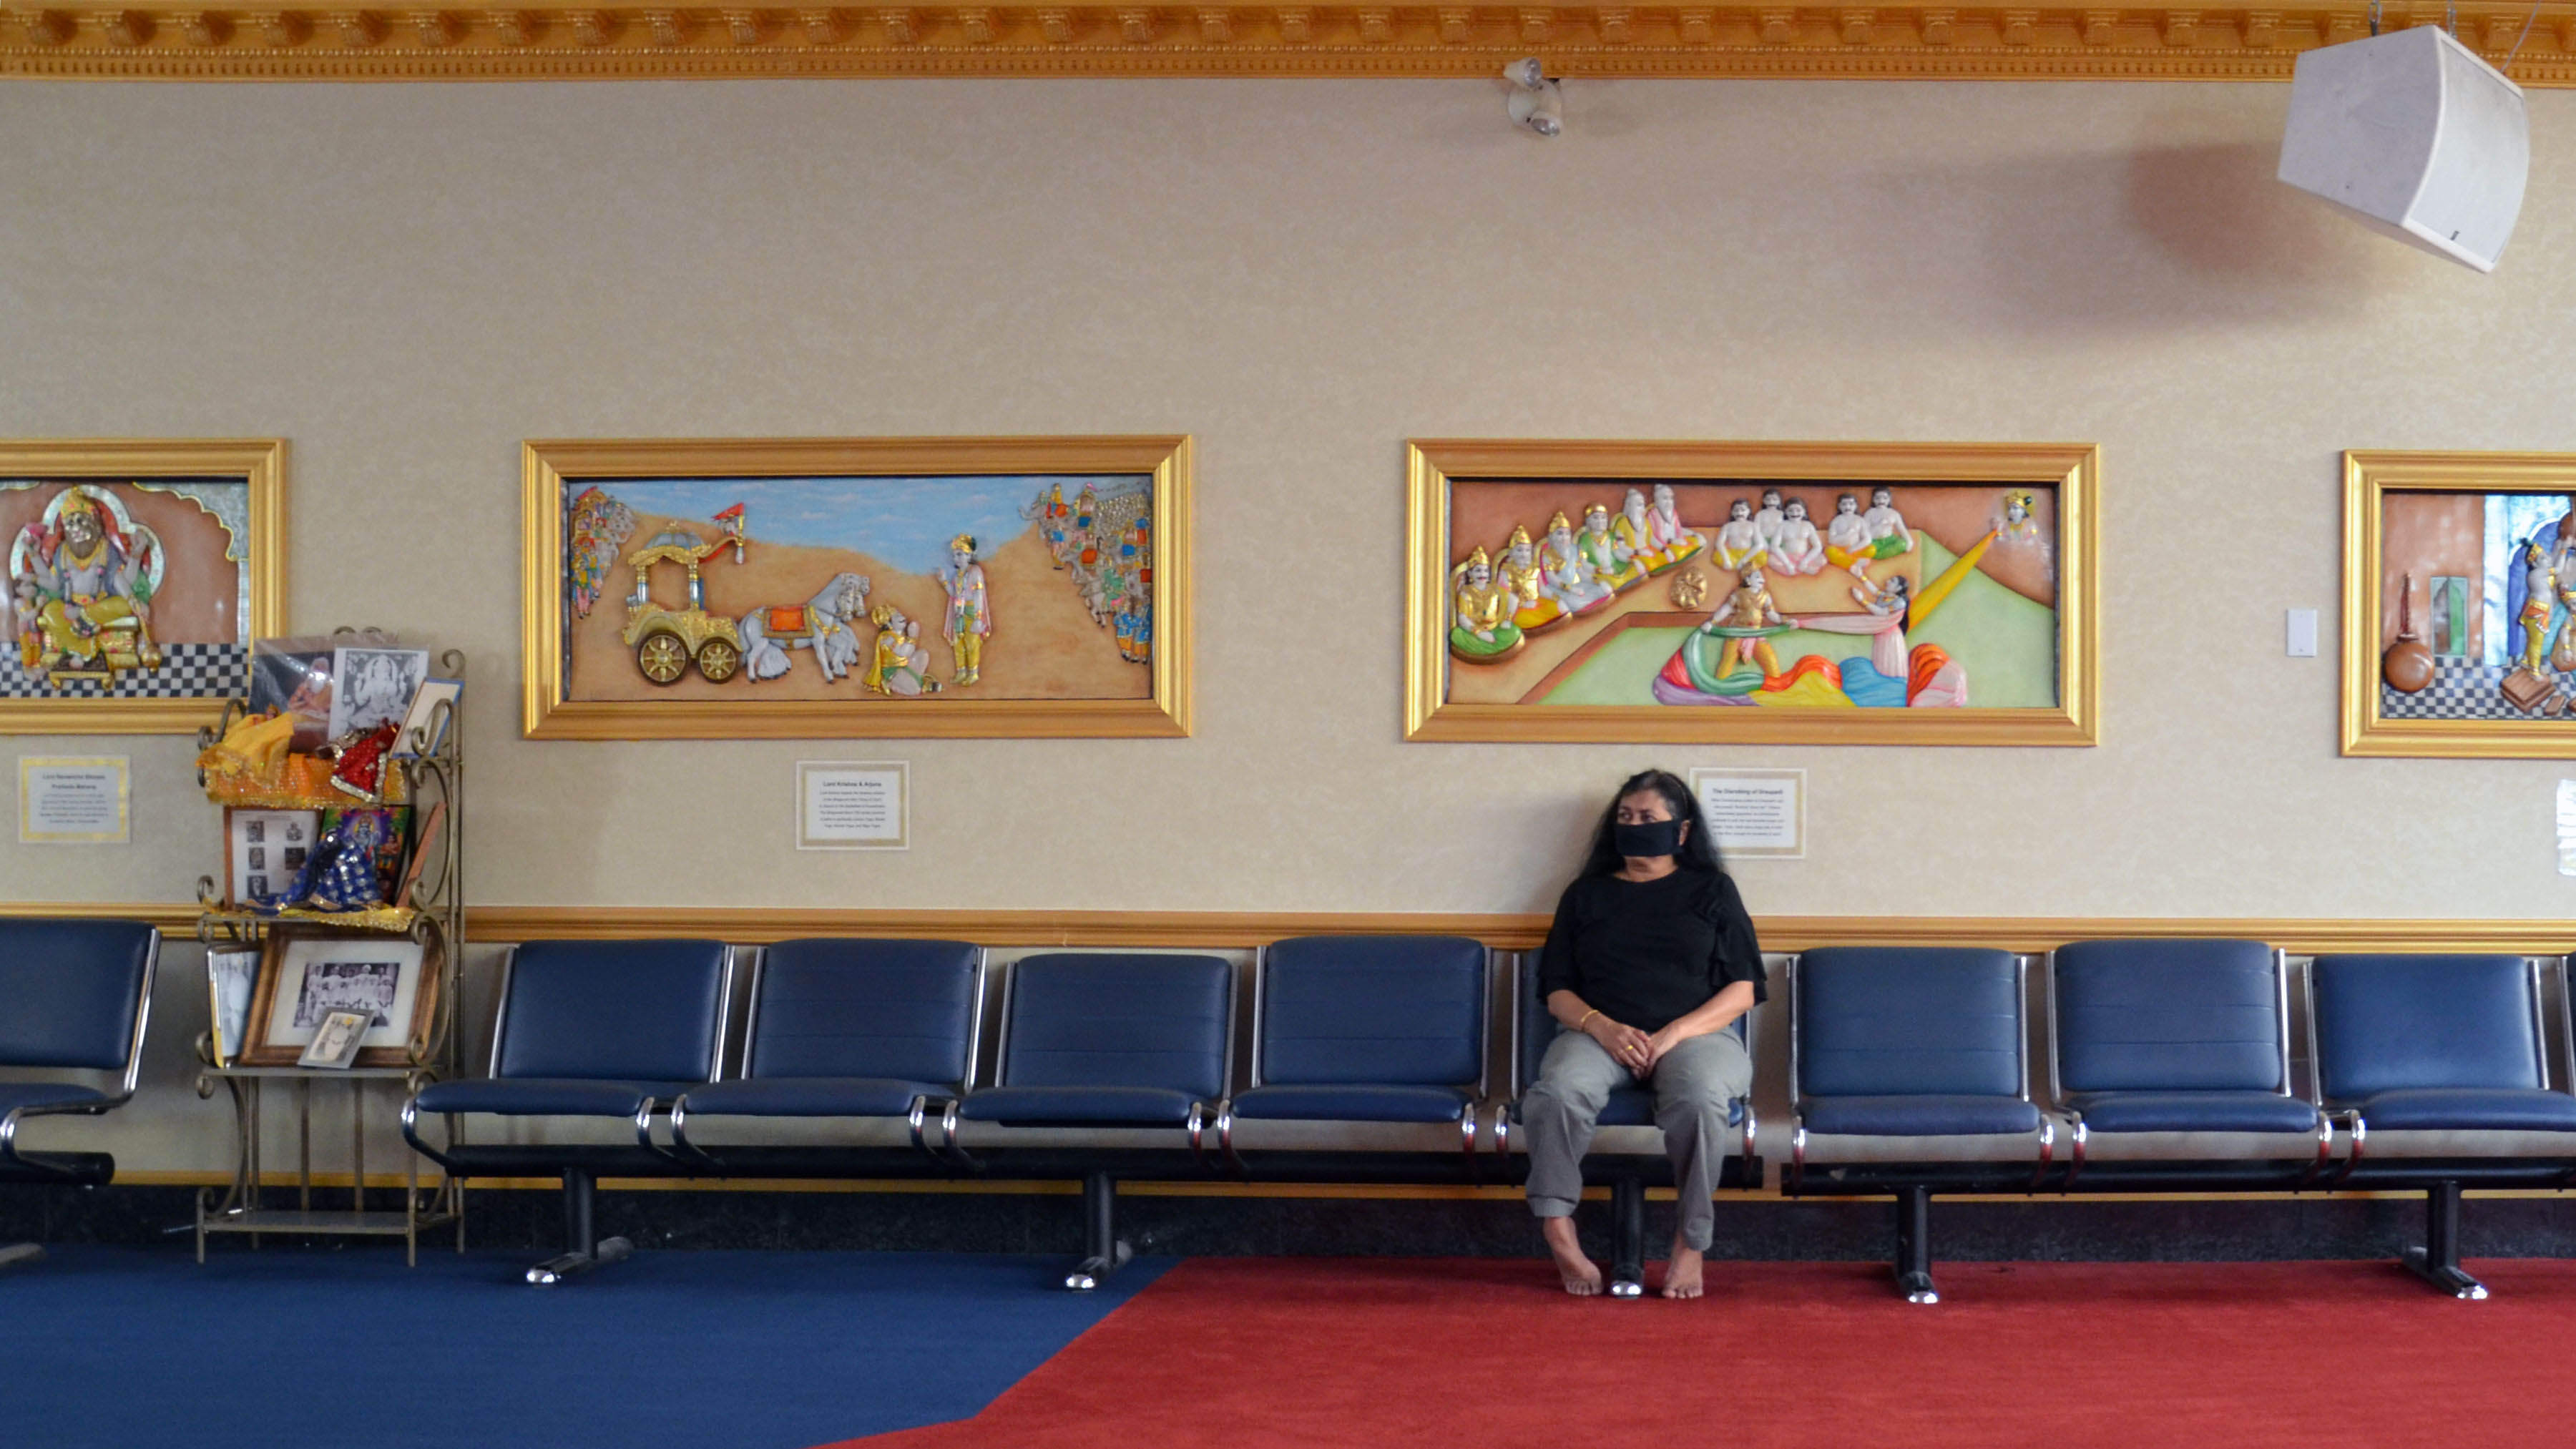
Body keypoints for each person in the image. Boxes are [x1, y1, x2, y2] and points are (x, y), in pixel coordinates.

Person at [1523, 770, 1763, 1300]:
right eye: (1625, 818)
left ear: (1680, 831)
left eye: (1648, 818)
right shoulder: (1585, 894)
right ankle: (1557, 1227)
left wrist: (1675, 1032)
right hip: (1597, 1034)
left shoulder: (1712, 890)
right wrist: (1601, 1027)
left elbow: (1744, 989)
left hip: (1695, 1037)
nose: (1634, 827)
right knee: (1558, 1092)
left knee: (1700, 1100)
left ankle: (1690, 1242)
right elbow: (1556, 991)